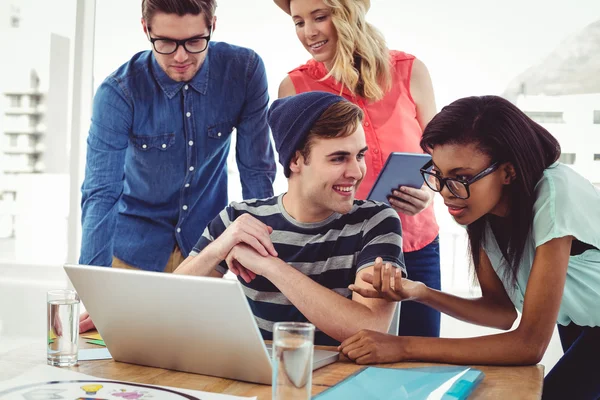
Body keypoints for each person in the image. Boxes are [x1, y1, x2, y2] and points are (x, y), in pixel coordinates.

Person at [339, 95, 600, 400]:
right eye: (438, 174)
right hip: (583, 319)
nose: (446, 193)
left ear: (508, 171)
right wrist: (422, 293)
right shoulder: (480, 209)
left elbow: (529, 345)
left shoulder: (555, 197)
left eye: (461, 177)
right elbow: (500, 312)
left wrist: (402, 346)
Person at [78, 0, 276, 332]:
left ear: (212, 25)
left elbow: (256, 173)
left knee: (199, 366)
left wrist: (266, 265)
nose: (181, 56)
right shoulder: (118, 93)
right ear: (146, 29)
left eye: (195, 42)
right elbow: (101, 193)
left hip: (204, 254)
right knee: (123, 373)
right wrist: (95, 291)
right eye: (166, 43)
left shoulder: (244, 71)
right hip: (131, 256)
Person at [174, 91, 405, 345]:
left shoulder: (376, 221)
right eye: (339, 158)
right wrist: (219, 248)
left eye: (360, 155)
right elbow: (170, 301)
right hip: (259, 376)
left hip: (345, 379)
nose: (356, 171)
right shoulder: (240, 219)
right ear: (296, 160)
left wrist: (270, 266)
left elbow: (369, 328)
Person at [274, 0, 441, 338]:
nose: (308, 32)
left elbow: (441, 161)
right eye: (298, 22)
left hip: (417, 244)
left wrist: (429, 191)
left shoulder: (410, 71)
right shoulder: (295, 88)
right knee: (351, 361)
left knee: (422, 359)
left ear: (349, 15)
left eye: (320, 17)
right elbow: (297, 180)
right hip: (339, 251)